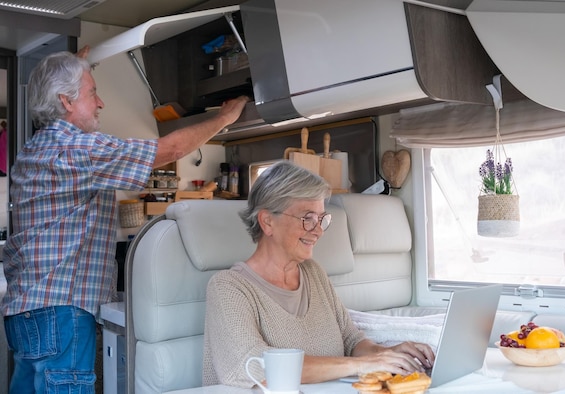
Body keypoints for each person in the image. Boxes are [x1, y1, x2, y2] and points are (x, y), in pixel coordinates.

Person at [1, 47, 247, 393]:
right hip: (62, 312)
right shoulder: (77, 150)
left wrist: (82, 64)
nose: (100, 103)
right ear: (65, 101)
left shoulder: (34, 149)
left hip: (27, 311)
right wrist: (225, 118)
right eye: (92, 93)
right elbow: (169, 152)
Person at [203, 160, 435, 387]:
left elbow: (350, 339)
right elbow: (252, 366)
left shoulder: (313, 273)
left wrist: (387, 353)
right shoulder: (228, 287)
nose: (318, 231)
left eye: (321, 219)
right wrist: (362, 365)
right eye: (307, 219)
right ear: (267, 221)